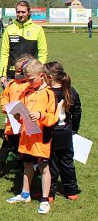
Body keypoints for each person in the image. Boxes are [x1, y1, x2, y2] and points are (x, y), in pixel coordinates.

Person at [6, 59, 58, 215]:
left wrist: (40, 115)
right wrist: (17, 116)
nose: (28, 82)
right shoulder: (27, 91)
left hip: (41, 138)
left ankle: (44, 199)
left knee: (43, 167)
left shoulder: (49, 94)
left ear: (41, 76)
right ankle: (25, 194)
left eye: (31, 79)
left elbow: (54, 116)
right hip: (26, 136)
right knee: (27, 165)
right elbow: (22, 111)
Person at [0, 55, 32, 182]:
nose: (17, 73)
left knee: (24, 148)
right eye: (16, 70)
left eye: (20, 71)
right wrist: (5, 107)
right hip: (12, 124)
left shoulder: (30, 85)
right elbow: (4, 97)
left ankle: (25, 169)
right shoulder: (11, 84)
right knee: (6, 147)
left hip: (25, 124)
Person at [45, 61, 81, 201]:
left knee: (51, 162)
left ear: (50, 77)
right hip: (66, 131)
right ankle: (71, 191)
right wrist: (75, 129)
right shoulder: (71, 91)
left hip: (51, 131)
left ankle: (50, 193)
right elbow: (77, 111)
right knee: (67, 161)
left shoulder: (47, 93)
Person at [0, 0, 48, 87]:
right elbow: (4, 53)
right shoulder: (9, 29)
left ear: (29, 12)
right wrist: (2, 75)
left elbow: (43, 52)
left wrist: (38, 70)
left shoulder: (38, 29)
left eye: (23, 12)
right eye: (18, 12)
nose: (20, 15)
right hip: (12, 75)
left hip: (30, 76)